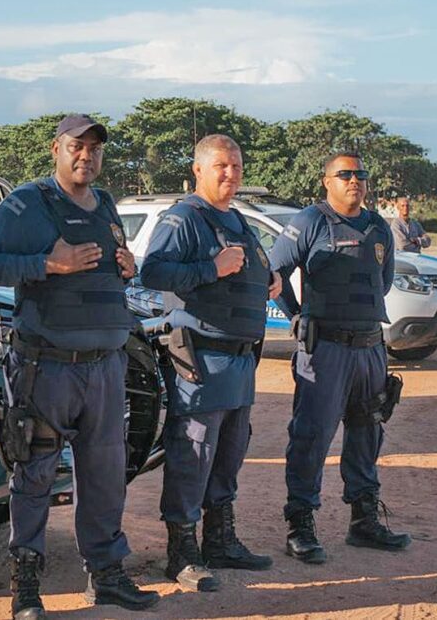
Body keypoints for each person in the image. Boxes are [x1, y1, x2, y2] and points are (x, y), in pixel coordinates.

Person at [0, 115, 159, 618]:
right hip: (46, 368)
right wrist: (46, 264)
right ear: (57, 148)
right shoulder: (25, 205)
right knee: (34, 475)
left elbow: (113, 271)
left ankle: (107, 575)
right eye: (78, 146)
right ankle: (26, 584)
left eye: (96, 149)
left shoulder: (104, 205)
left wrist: (127, 267)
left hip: (104, 367)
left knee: (104, 476)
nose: (87, 156)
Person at [139, 135, 282, 592]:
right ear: (198, 170)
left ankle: (220, 541)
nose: (230, 173)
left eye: (237, 165)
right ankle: (181, 553)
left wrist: (271, 279)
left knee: (229, 455)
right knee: (192, 455)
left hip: (240, 362)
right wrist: (210, 269)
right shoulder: (183, 219)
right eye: (221, 165)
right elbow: (154, 273)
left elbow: (251, 268)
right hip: (199, 359)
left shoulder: (237, 220)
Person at [270, 151, 412, 566]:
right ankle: (300, 524)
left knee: (368, 432)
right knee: (311, 436)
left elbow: (382, 284)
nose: (354, 181)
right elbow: (275, 273)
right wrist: (296, 316)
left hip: (370, 348)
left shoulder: (377, 227)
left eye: (360, 175)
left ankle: (363, 519)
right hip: (325, 349)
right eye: (344, 174)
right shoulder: (309, 221)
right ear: (325, 181)